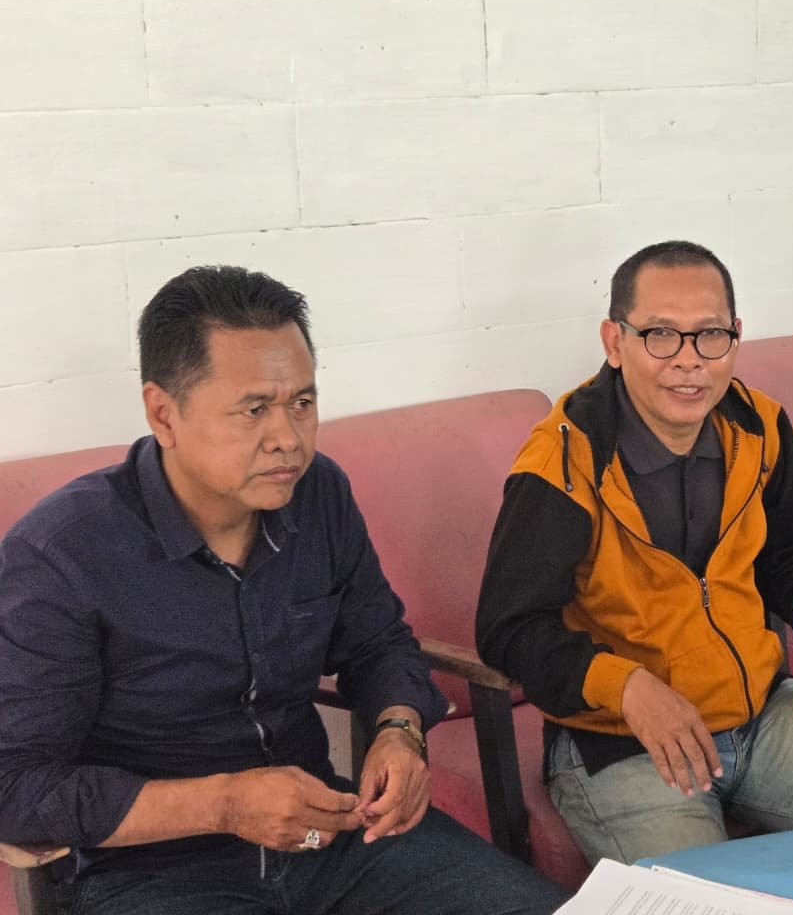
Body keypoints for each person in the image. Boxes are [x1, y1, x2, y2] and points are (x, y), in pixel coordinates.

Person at [0, 266, 567, 915]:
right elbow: (15, 787)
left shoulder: (318, 493)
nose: (288, 438)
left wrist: (399, 731)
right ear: (163, 413)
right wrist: (226, 804)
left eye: (302, 402)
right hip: (150, 873)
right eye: (254, 409)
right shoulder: (62, 553)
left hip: (329, 837)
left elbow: (377, 641)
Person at [476, 240, 793, 866]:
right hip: (622, 745)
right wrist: (628, 686)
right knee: (696, 902)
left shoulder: (758, 426)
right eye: (660, 335)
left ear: (735, 337)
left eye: (710, 335)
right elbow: (509, 628)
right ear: (614, 342)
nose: (689, 361)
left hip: (763, 717)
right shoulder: (563, 461)